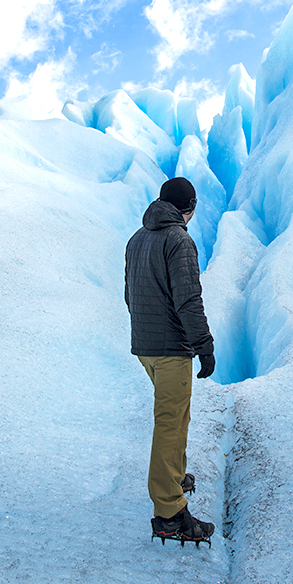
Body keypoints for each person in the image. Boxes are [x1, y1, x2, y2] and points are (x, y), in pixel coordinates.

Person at [125, 176, 217, 544]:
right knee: (169, 422)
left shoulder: (137, 238)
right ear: (189, 208)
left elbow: (129, 295)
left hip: (146, 346)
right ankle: (169, 512)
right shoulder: (179, 240)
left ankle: (174, 476)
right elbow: (188, 300)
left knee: (175, 415)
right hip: (170, 349)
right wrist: (204, 345)